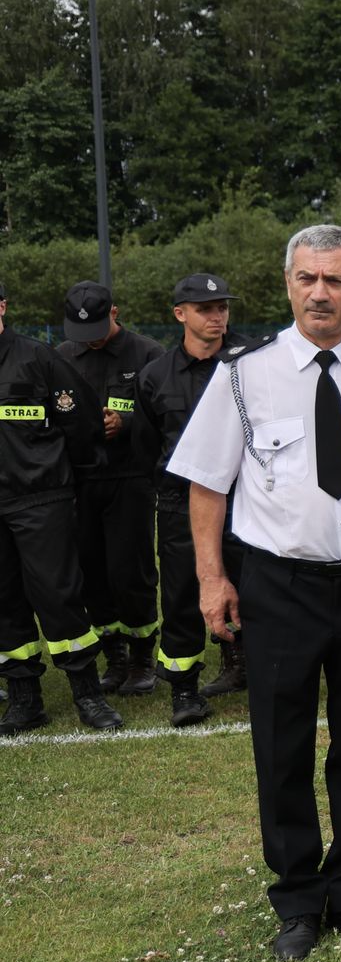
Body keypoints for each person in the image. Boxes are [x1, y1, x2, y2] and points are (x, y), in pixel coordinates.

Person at [169, 225, 341, 961]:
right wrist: (210, 576)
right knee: (281, 742)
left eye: (335, 279)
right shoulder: (244, 374)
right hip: (278, 582)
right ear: (288, 284)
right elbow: (206, 483)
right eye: (306, 278)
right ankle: (296, 898)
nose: (320, 291)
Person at [130, 273, 257, 724]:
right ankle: (184, 689)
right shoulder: (154, 376)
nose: (218, 316)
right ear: (180, 314)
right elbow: (146, 447)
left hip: (247, 502)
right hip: (182, 506)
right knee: (183, 595)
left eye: (222, 306)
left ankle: (255, 671)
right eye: (206, 309)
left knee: (257, 589)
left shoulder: (252, 361)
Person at [0, 275, 119, 736]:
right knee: (3, 600)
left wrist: (65, 481)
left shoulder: (37, 358)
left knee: (59, 595)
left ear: (4, 306)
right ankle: (25, 698)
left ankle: (88, 693)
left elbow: (83, 424)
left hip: (40, 498)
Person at [57, 280, 166, 695]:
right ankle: (113, 655)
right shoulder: (63, 355)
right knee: (93, 572)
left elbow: (165, 414)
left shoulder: (148, 354)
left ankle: (142, 658)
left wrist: (128, 423)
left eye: (99, 329)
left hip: (130, 480)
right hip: (82, 481)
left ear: (115, 313)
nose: (91, 341)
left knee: (131, 569)